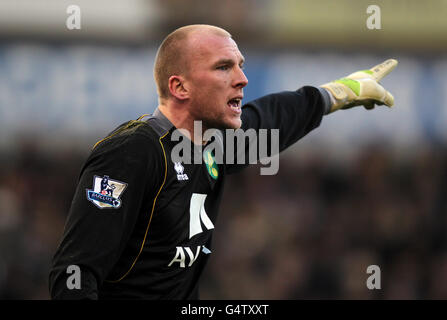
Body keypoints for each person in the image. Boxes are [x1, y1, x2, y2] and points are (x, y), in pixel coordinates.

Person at [49, 24, 397, 299]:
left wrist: (337, 92)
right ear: (179, 87)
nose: (242, 79)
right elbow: (74, 275)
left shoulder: (211, 145)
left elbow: (270, 119)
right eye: (223, 67)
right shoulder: (132, 153)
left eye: (240, 66)